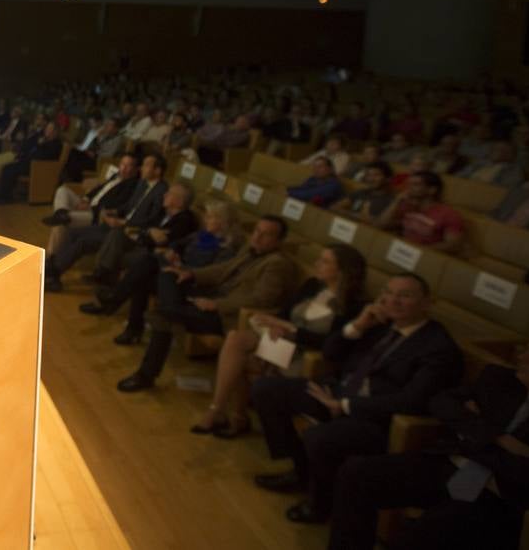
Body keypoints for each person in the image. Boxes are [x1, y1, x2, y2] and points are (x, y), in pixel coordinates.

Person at [328, 335, 529, 550]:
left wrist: (473, 435)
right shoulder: (499, 379)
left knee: (425, 534)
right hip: (453, 464)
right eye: (527, 350)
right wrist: (497, 437)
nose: (522, 358)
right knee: (356, 473)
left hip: (498, 496)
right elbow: (442, 402)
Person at [251, 273, 463, 525]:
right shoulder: (378, 323)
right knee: (265, 389)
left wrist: (345, 406)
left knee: (320, 438)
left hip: (376, 416)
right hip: (338, 392)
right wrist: (357, 326)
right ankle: (301, 470)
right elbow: (330, 351)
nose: (393, 301)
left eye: (404, 296)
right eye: (388, 293)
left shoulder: (437, 347)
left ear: (427, 303)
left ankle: (321, 505)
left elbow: (412, 401)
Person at [191, 243, 367, 439]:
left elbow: (329, 343)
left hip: (306, 356)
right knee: (235, 340)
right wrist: (277, 325)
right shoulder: (312, 285)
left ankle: (233, 417)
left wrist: (290, 330)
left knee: (237, 360)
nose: (317, 264)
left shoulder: (353, 306)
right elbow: (285, 313)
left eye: (325, 261)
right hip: (282, 345)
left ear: (342, 271)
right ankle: (220, 410)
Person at [116, 215, 299, 392]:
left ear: (278, 241)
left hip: (225, 315)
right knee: (165, 274)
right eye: (257, 231)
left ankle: (145, 374)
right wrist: (191, 273)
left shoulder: (277, 264)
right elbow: (222, 270)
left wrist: (218, 304)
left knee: (164, 316)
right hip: (210, 295)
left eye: (266, 234)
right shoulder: (249, 250)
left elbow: (261, 299)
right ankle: (165, 313)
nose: (257, 236)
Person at [79, 185, 206, 329]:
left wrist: (149, 235)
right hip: (142, 245)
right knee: (117, 233)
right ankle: (104, 279)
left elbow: (163, 240)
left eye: (169, 194)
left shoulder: (185, 220)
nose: (164, 195)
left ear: (179, 201)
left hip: (154, 254)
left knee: (120, 257)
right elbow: (148, 228)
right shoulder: (163, 212)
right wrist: (149, 233)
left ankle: (106, 287)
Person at [43, 155, 168, 290]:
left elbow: (152, 219)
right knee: (73, 233)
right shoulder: (143, 184)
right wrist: (113, 212)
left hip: (127, 232)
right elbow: (128, 206)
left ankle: (54, 274)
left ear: (157, 171)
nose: (142, 168)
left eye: (146, 165)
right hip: (115, 224)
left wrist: (124, 222)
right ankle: (53, 265)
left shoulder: (161, 191)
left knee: (83, 242)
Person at [377, 171, 467, 256]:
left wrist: (418, 251)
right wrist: (397, 201)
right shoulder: (407, 206)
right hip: (399, 251)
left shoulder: (449, 214)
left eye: (416, 185)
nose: (409, 188)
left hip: (425, 256)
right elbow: (381, 225)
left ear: (432, 190)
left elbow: (453, 245)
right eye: (409, 184)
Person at [0, 120, 62, 203]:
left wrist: (40, 145)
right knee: (7, 168)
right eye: (47, 128)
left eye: (50, 129)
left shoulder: (56, 144)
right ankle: (2, 195)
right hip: (28, 163)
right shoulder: (43, 139)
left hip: (37, 167)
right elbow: (28, 146)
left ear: (55, 132)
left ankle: (4, 197)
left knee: (9, 170)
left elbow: (44, 156)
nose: (47, 130)